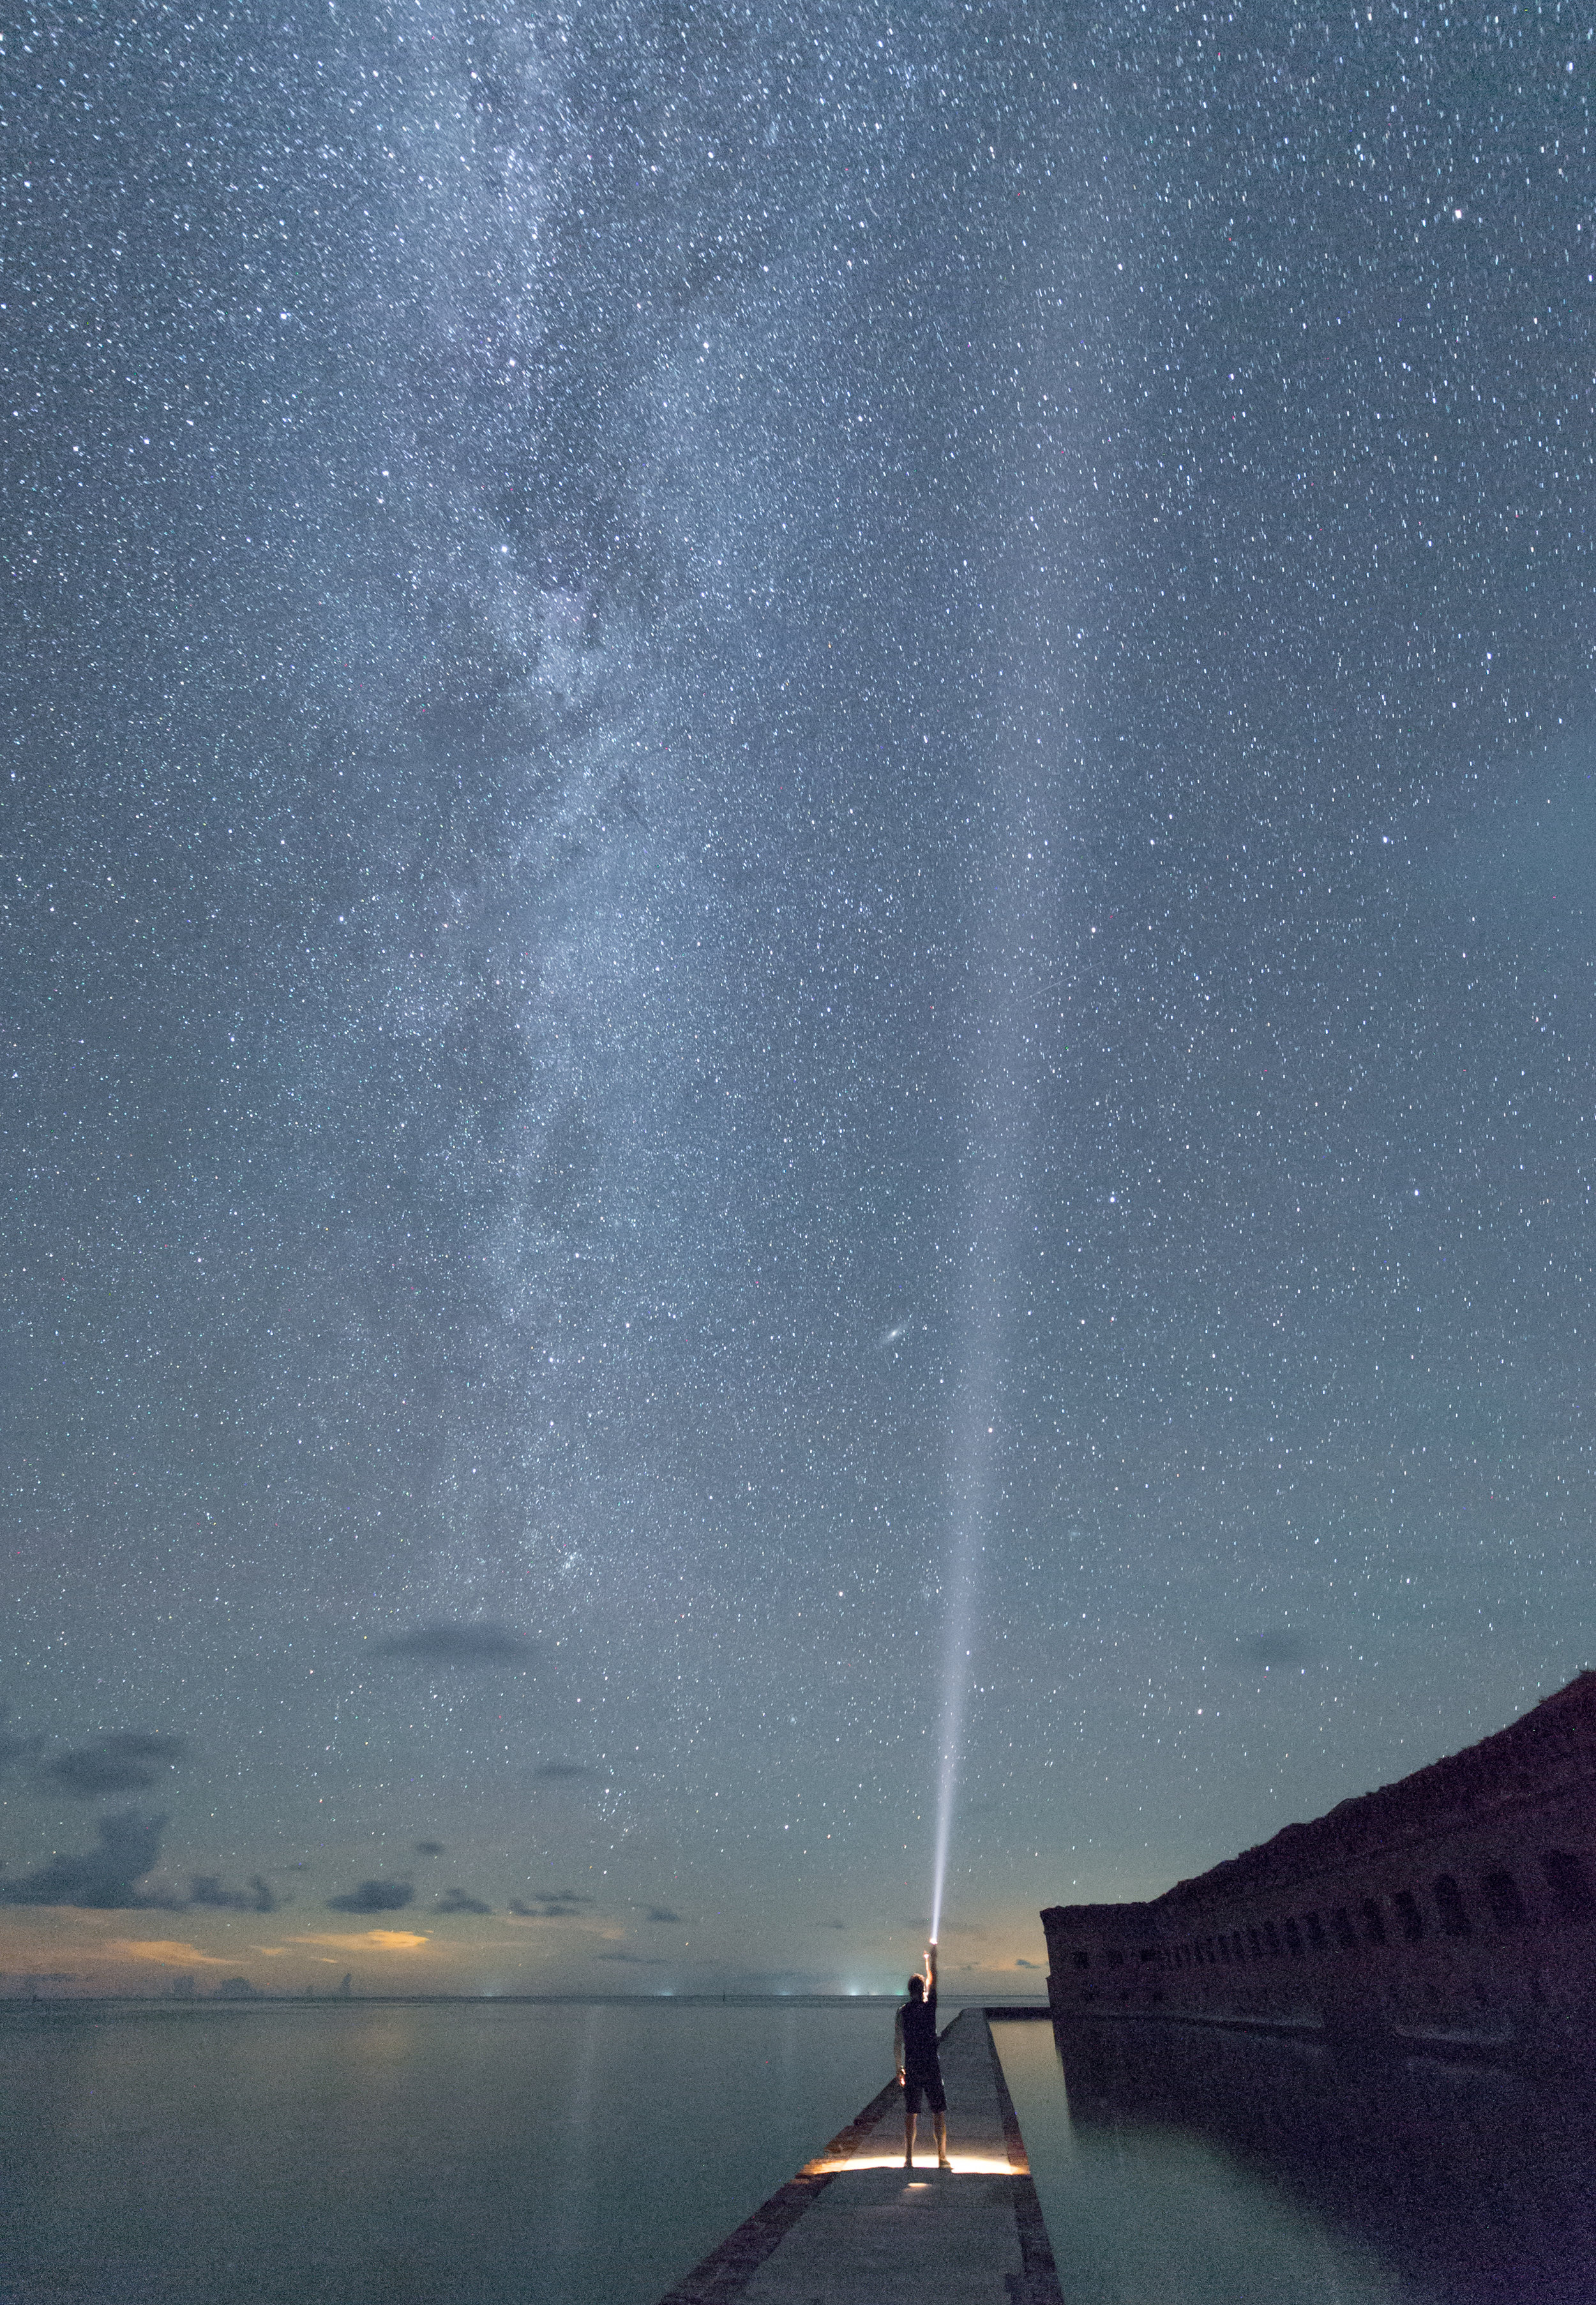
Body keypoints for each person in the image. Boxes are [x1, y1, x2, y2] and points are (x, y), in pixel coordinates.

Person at [894, 1939, 950, 2170]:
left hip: (913, 2067)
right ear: (923, 1990)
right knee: (938, 2112)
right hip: (931, 2067)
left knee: (911, 2113)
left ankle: (908, 2158)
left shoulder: (902, 2012)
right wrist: (932, 1960)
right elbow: (934, 1977)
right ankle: (942, 2158)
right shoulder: (930, 2007)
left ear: (909, 1991)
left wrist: (899, 2068)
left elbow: (897, 2043)